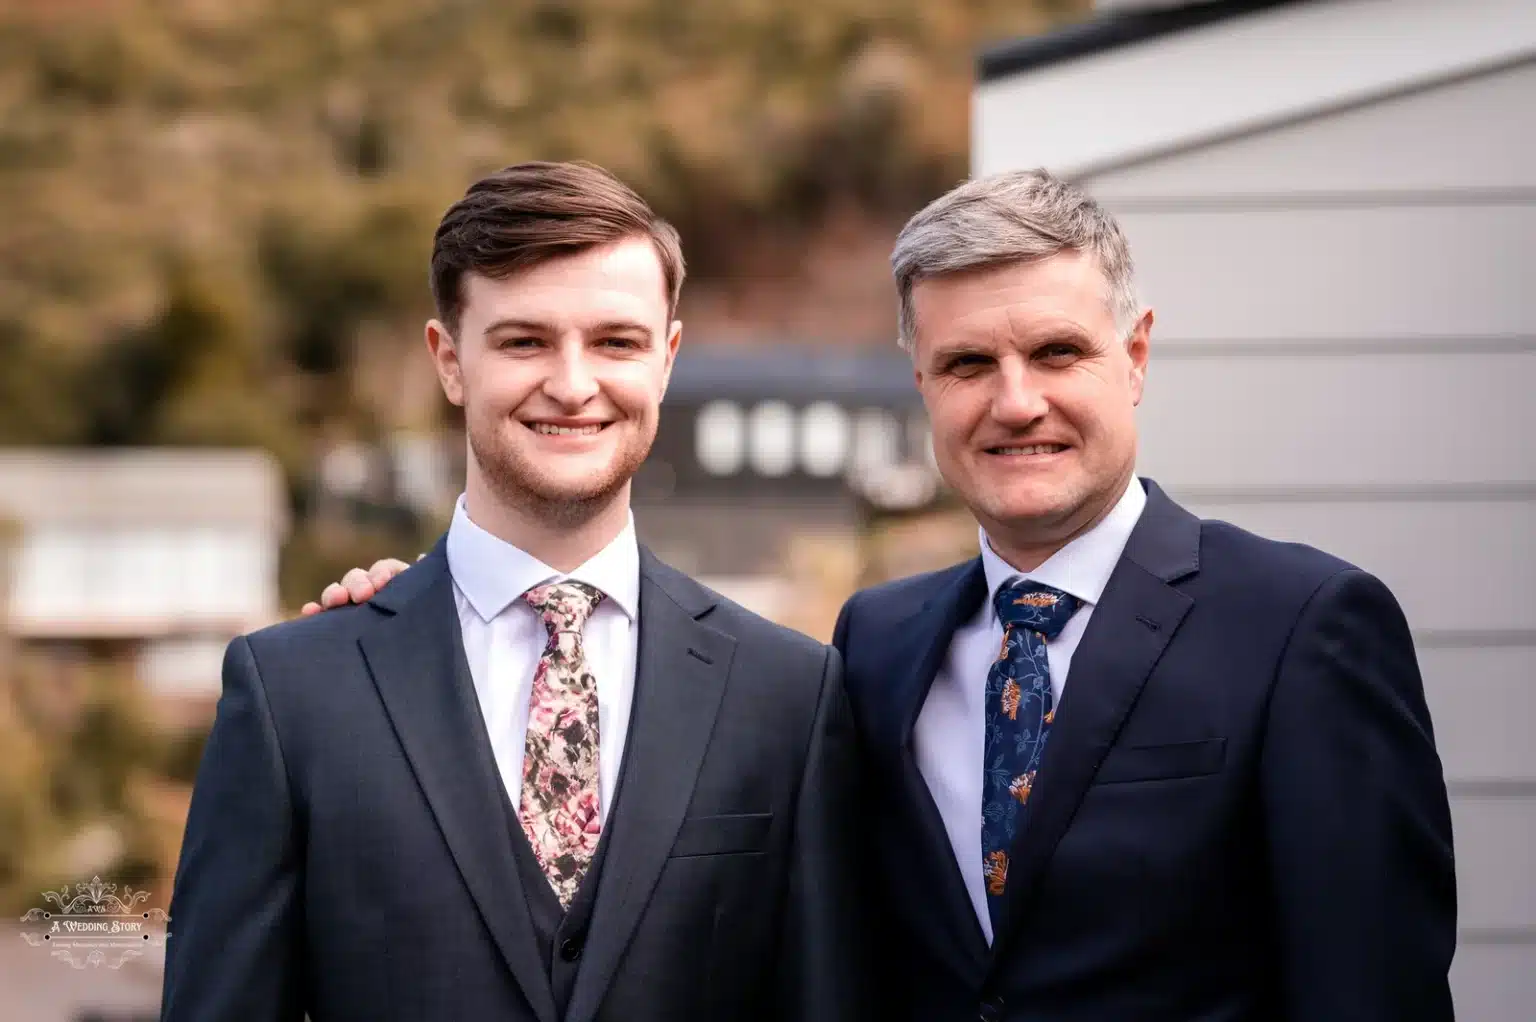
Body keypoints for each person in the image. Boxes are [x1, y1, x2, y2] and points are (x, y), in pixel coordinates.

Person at [313, 169, 1457, 1020]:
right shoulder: (874, 646)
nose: (1015, 402)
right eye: (968, 365)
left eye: (1056, 353)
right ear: (921, 382)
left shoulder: (1305, 627)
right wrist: (415, 635)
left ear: (1137, 354)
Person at [163, 161, 867, 1022]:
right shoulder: (293, 697)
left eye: (616, 341)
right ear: (450, 360)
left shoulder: (790, 694)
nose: (573, 386)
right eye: (524, 341)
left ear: (668, 359)